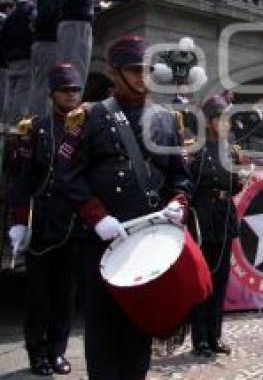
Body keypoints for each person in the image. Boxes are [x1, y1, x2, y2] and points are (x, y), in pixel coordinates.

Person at [54, 35, 191, 380]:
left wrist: (178, 203)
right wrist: (97, 217)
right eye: (134, 69)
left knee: (138, 329)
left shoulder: (164, 119)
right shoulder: (90, 116)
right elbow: (67, 174)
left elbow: (181, 177)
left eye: (147, 69)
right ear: (115, 73)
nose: (143, 76)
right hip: (104, 241)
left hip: (148, 243)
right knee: (102, 330)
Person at [7, 64, 82, 376]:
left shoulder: (87, 128)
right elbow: (22, 180)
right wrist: (20, 221)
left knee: (66, 294)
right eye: (65, 90)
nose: (71, 95)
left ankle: (57, 351)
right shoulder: (35, 128)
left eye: (75, 90)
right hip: (44, 220)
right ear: (52, 93)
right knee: (39, 293)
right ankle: (37, 352)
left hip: (75, 221)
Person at [188, 96, 242, 357]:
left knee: (221, 279)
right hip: (202, 218)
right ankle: (199, 338)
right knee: (202, 280)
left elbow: (234, 187)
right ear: (209, 122)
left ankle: (215, 335)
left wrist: (241, 176)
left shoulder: (230, 151)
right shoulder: (196, 149)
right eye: (221, 120)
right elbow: (188, 186)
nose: (226, 125)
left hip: (223, 217)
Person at [58, 0, 145, 91]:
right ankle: (71, 112)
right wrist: (93, 7)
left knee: (75, 69)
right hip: (77, 25)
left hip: (74, 25)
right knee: (76, 70)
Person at [30, 0, 65, 119]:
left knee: (40, 83)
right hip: (48, 43)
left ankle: (36, 120)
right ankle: (38, 122)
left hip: (43, 43)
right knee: (44, 85)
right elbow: (46, 19)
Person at [0, 0, 38, 123]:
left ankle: (5, 125)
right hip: (25, 56)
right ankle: (15, 127)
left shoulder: (11, 14)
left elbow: (3, 36)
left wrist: (7, 54)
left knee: (9, 95)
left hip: (11, 60)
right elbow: (36, 24)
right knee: (22, 95)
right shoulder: (32, 10)